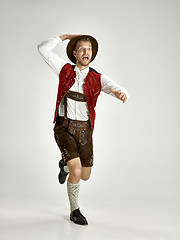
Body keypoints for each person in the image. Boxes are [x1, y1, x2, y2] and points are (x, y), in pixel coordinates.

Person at [37, 33, 129, 225]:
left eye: (89, 49)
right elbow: (42, 48)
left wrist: (121, 93)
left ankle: (64, 165)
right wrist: (64, 37)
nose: (86, 52)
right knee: (76, 172)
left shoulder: (98, 77)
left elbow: (116, 87)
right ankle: (74, 210)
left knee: (85, 176)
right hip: (64, 127)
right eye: (82, 48)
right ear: (74, 53)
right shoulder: (64, 69)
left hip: (85, 131)